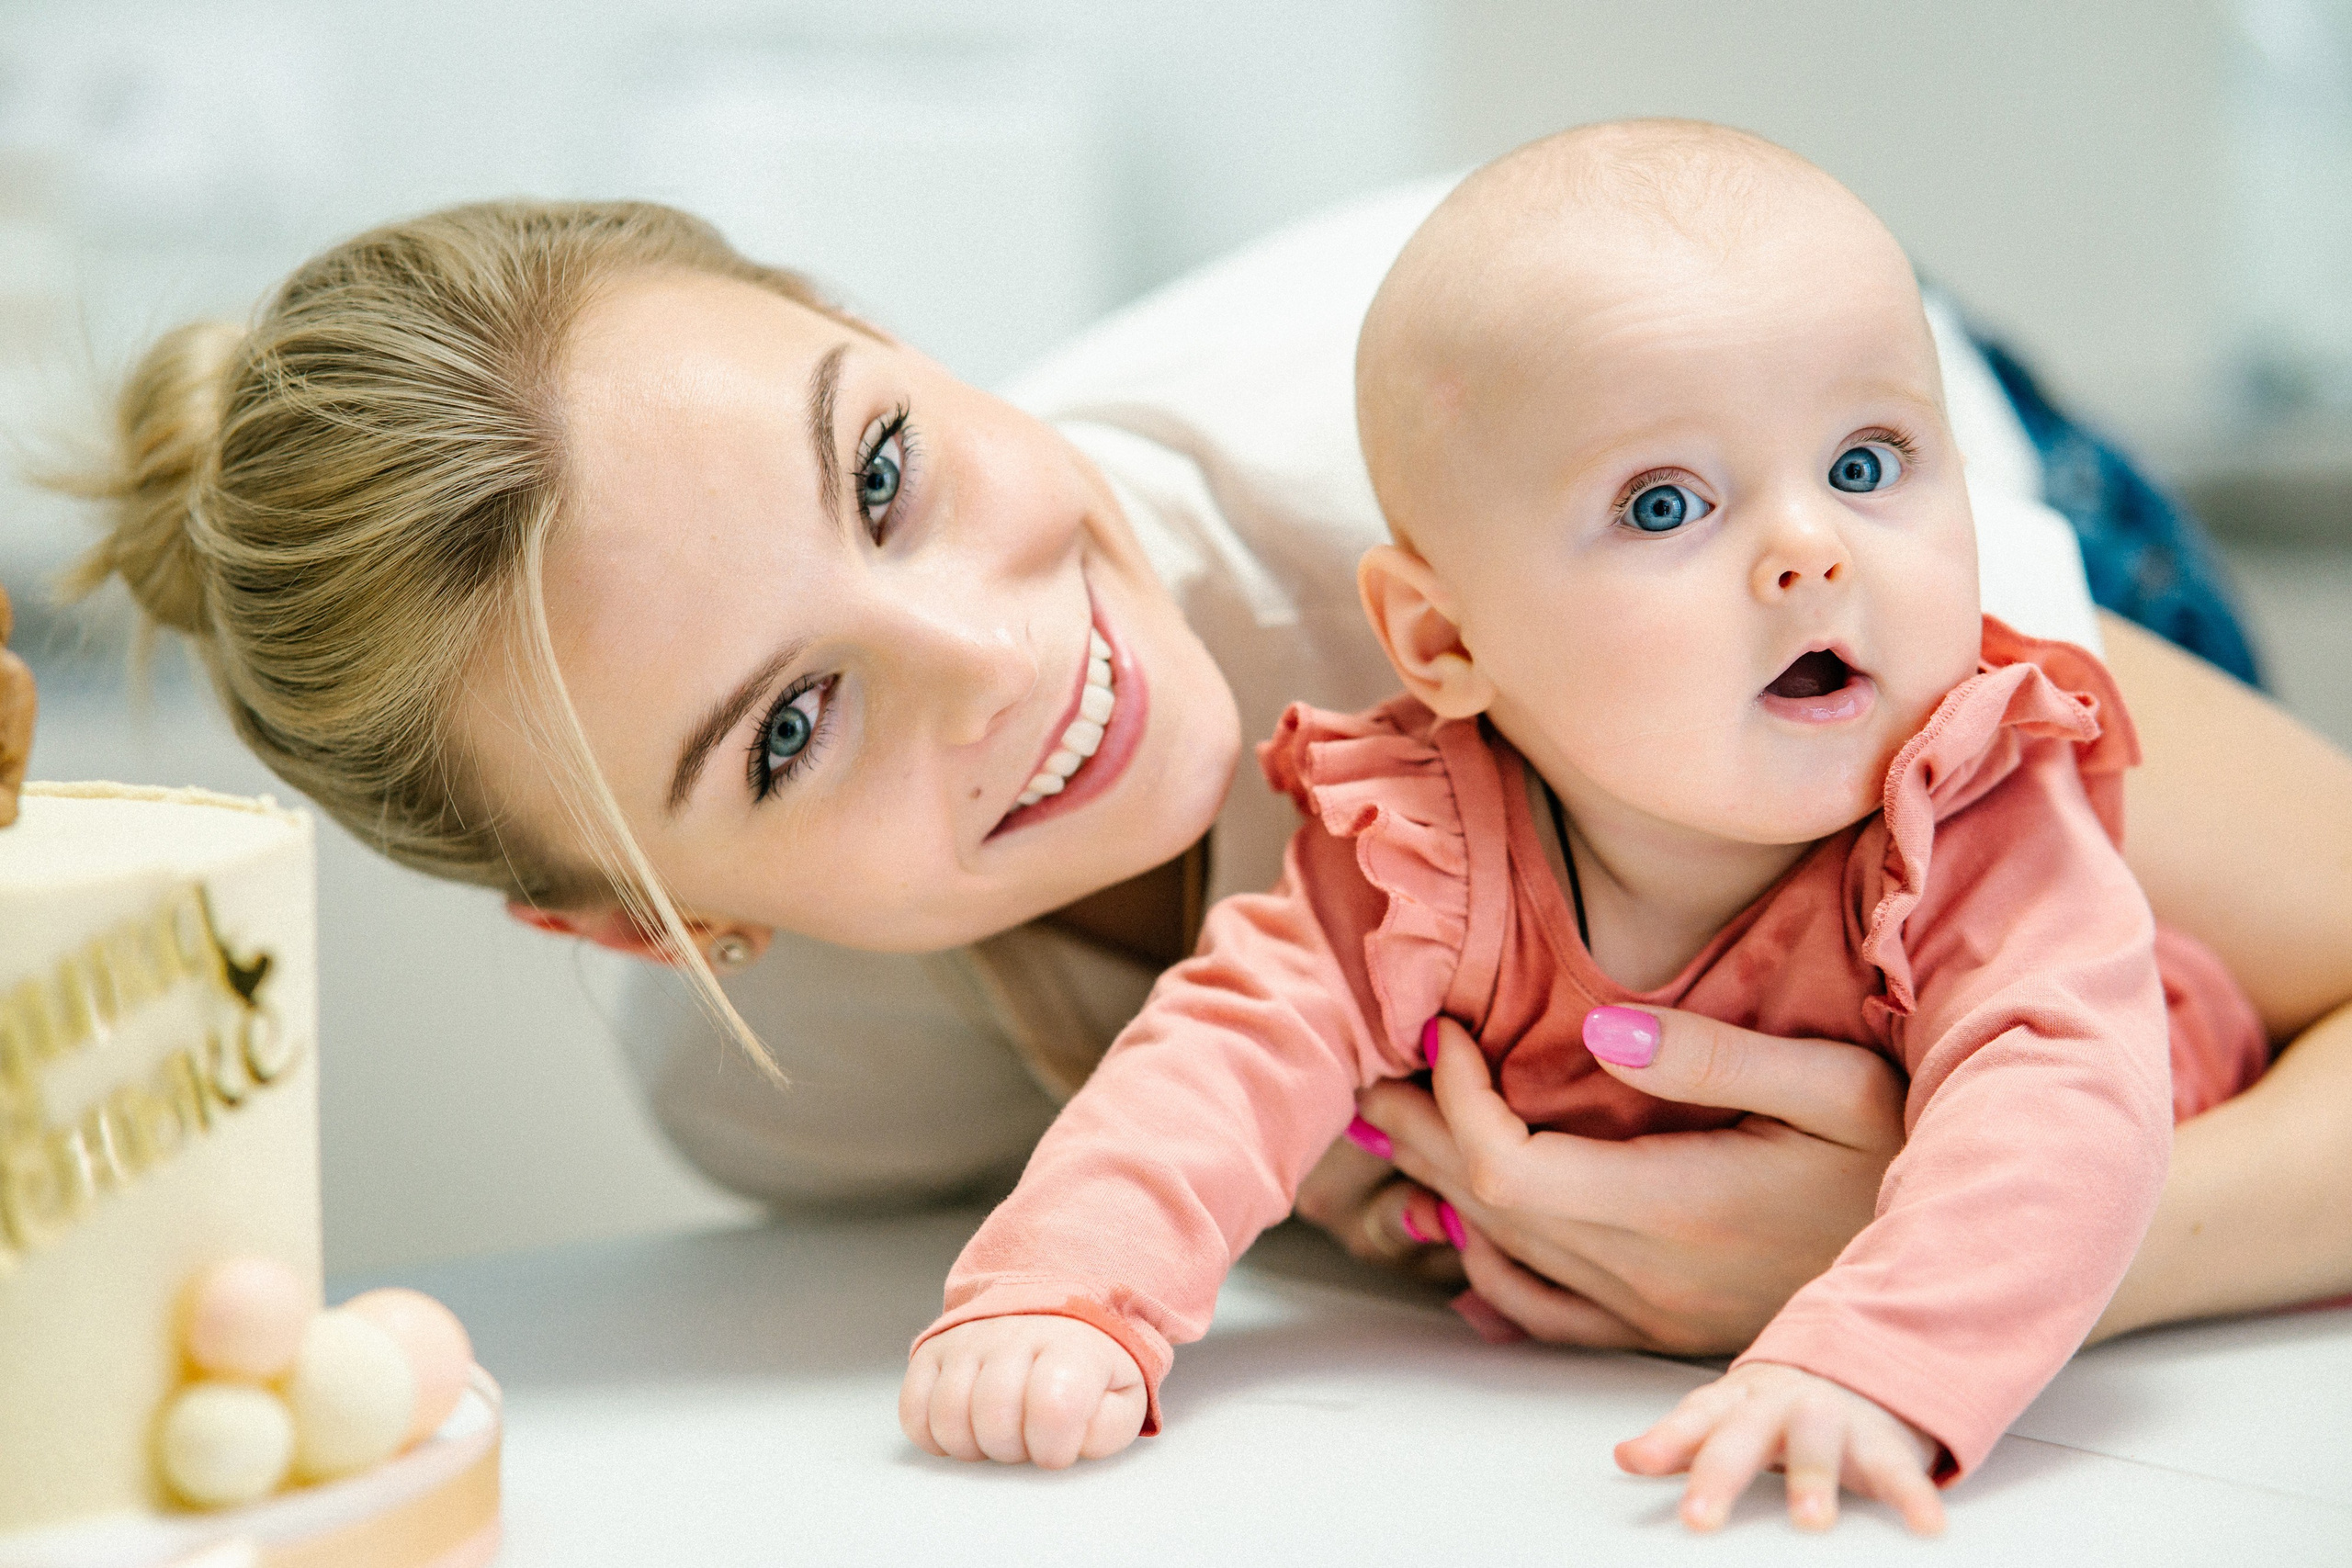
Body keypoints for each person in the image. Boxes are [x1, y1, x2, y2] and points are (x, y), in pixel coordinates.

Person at [59, 153, 2352, 1387]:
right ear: (642, 917)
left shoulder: (1481, 537)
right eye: (781, 729)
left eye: (882, 467)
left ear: (895, 328)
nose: (995, 654)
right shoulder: (784, 1089)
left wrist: (1948, 1253)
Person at [897, 123, 2269, 1533]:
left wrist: (1874, 1363)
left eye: (1866, 465)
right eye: (1665, 504)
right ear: (1441, 639)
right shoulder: (1422, 850)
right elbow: (1221, 1058)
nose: (1813, 547)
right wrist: (1064, 1295)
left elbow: (2061, 1107)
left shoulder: (1975, 816)